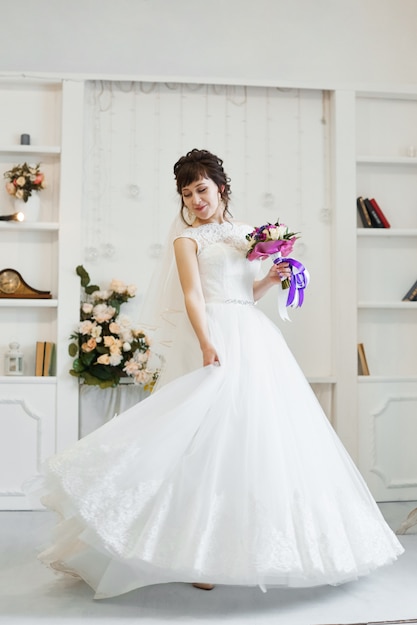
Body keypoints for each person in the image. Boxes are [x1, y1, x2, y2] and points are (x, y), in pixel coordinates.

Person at [37, 149, 403, 600]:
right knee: (201, 439)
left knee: (258, 437)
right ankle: (197, 554)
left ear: (221, 188)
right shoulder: (187, 240)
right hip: (212, 336)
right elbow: (194, 295)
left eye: (202, 189)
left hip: (254, 335)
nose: (195, 200)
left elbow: (244, 293)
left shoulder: (250, 235)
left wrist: (273, 278)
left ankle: (245, 550)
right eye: (187, 193)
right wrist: (208, 342)